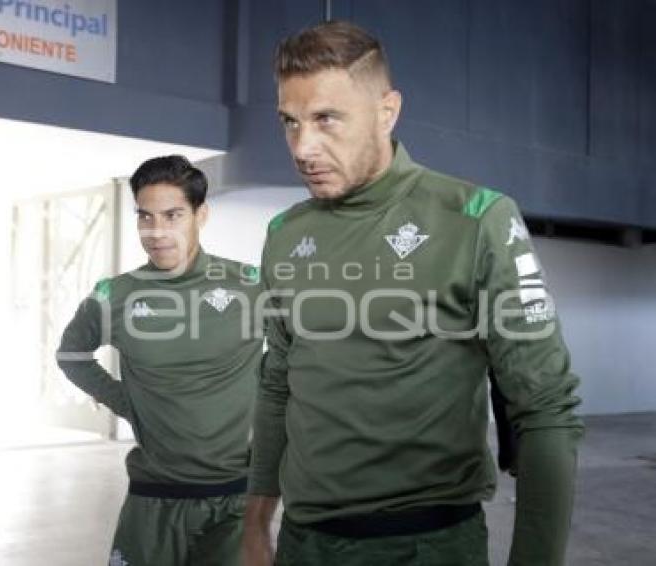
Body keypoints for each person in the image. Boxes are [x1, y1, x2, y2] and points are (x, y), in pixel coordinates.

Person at [243, 21, 583, 566]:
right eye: (290, 122)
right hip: (302, 546)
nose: (303, 147)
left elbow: (545, 410)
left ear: (387, 111)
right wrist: (256, 521)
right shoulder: (285, 235)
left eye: (326, 119)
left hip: (425, 546)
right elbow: (278, 383)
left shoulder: (477, 218)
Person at [57, 155, 262, 566]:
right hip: (153, 497)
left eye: (172, 215)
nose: (156, 232)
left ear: (200, 215)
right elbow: (70, 354)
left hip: (238, 498)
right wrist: (125, 402)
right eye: (145, 217)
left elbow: (300, 354)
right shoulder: (113, 295)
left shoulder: (251, 285)